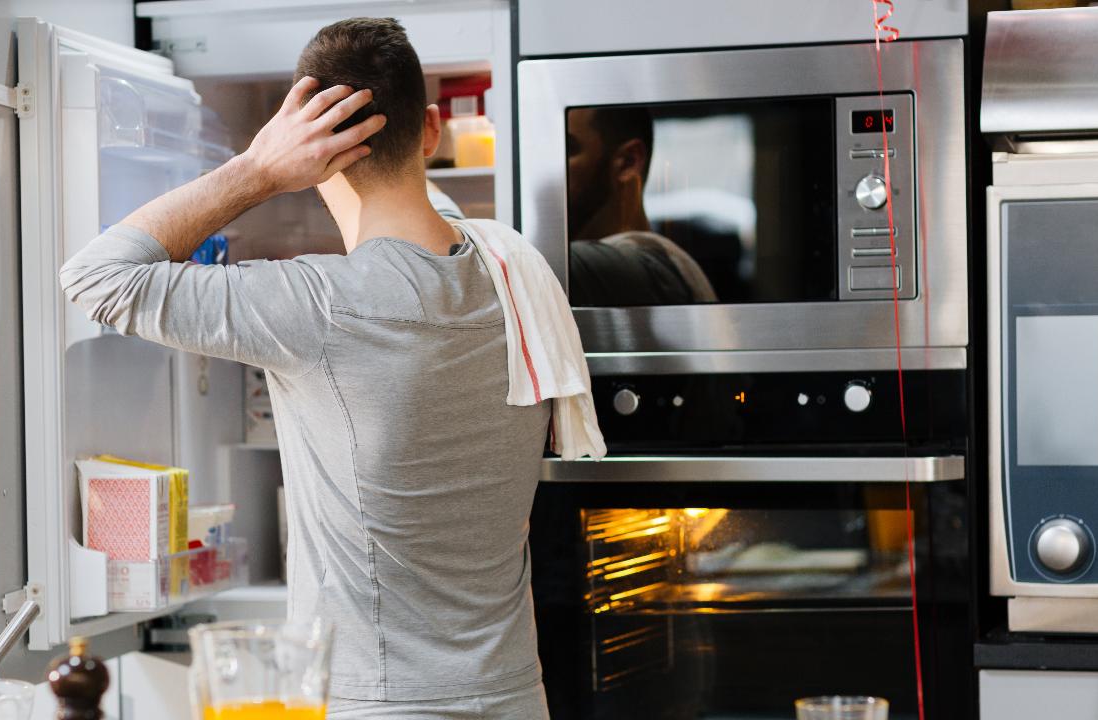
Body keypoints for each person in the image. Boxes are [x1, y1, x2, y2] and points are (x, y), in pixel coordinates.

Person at [60, 17, 593, 719]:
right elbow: (424, 217)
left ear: (308, 148)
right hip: (515, 695)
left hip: (377, 703)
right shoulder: (511, 275)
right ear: (432, 130)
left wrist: (258, 170)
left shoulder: (318, 304)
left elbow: (96, 277)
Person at [565, 107, 717, 306]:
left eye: (567, 149)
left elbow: (527, 266)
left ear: (628, 161)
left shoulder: (646, 266)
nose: (547, 172)